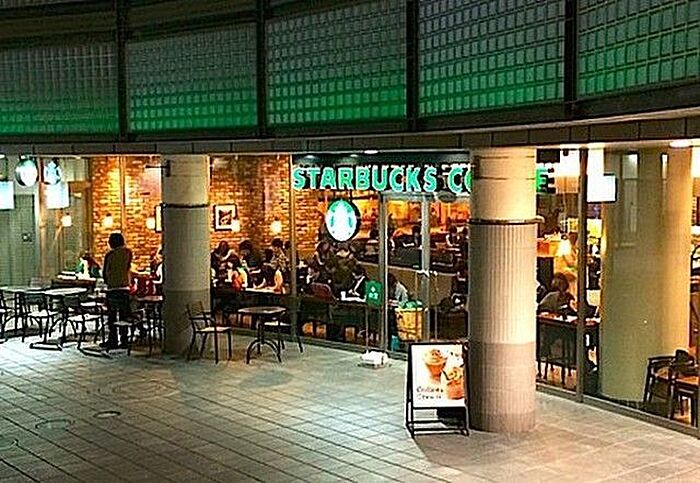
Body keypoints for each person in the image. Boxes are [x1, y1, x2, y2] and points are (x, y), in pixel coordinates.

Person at [102, 233, 133, 349]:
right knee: (124, 316)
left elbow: (105, 271)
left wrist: (108, 281)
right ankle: (124, 340)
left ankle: (113, 340)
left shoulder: (110, 255)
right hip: (125, 288)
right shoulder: (128, 253)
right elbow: (128, 267)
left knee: (112, 317)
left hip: (112, 288)